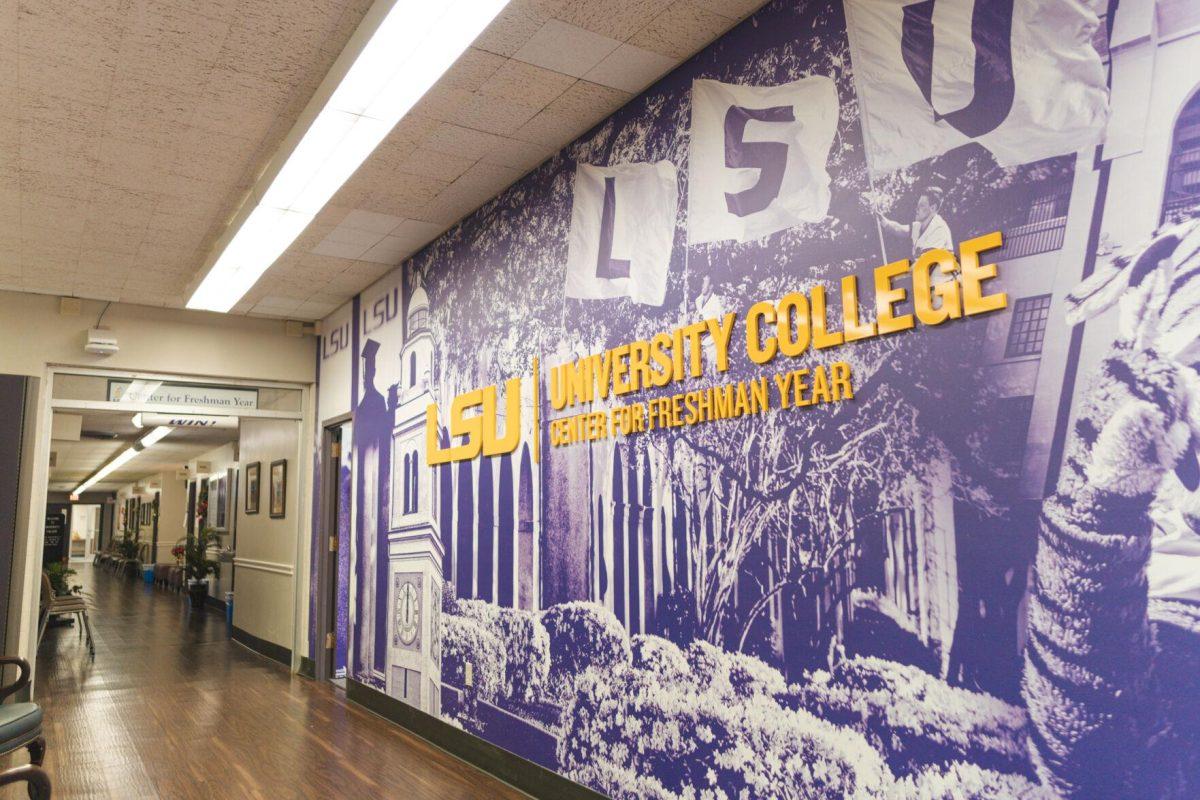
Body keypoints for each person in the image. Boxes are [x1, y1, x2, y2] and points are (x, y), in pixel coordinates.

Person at [877, 186, 954, 260]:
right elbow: (898, 229)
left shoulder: (939, 228)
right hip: (926, 271)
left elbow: (927, 262)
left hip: (941, 272)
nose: (917, 208)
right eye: (917, 205)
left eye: (921, 205)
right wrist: (881, 218)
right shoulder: (919, 226)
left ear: (933, 208)